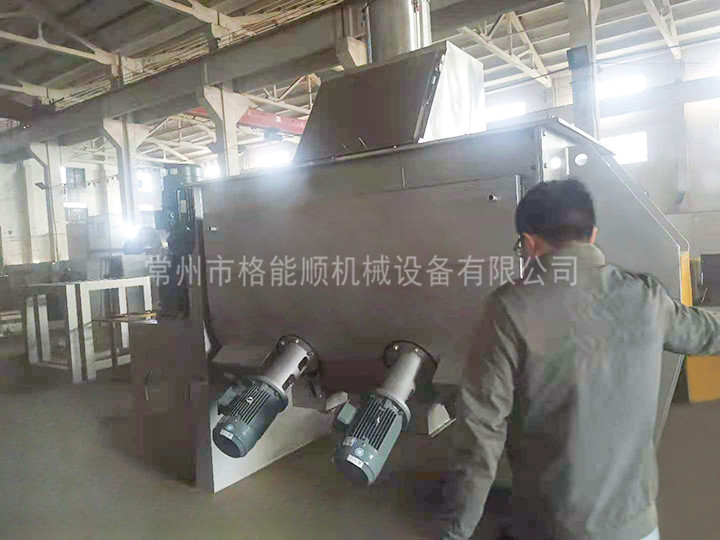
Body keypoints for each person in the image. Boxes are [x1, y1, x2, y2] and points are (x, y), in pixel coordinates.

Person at [439, 179, 720, 540]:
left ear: (529, 242)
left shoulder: (509, 309)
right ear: (593, 235)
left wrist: (456, 530)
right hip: (638, 525)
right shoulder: (645, 297)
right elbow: (708, 333)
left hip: (554, 527)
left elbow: (481, 433)